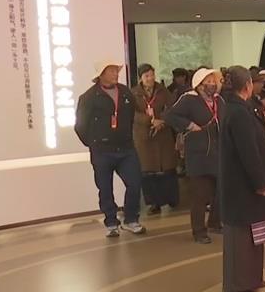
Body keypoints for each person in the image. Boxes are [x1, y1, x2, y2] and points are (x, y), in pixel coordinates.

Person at [219, 66, 265, 292]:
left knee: (254, 233)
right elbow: (248, 152)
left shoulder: (240, 108)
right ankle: (240, 283)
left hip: (244, 184)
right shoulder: (238, 113)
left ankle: (253, 278)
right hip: (242, 185)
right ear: (247, 85)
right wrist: (260, 182)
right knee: (242, 236)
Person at [74, 62, 147, 237]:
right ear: (101, 75)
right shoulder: (89, 97)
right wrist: (93, 143)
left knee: (135, 183)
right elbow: (80, 125)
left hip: (126, 148)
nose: (116, 74)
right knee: (105, 188)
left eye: (116, 70)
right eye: (112, 71)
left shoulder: (125, 92)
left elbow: (134, 113)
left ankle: (131, 219)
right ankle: (111, 222)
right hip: (102, 151)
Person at [164, 67, 224, 244]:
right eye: (208, 82)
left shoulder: (219, 100)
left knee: (220, 192)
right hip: (198, 154)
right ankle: (199, 231)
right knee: (200, 195)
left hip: (218, 152)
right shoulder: (189, 99)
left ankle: (214, 222)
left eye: (213, 81)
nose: (212, 84)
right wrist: (189, 125)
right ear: (199, 84)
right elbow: (170, 116)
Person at [131, 64, 178, 215]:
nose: (150, 78)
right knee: (148, 172)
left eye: (152, 75)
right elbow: (132, 113)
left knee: (168, 170)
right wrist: (149, 121)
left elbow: (172, 108)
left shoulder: (163, 90)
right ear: (140, 78)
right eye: (146, 76)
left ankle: (172, 199)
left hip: (163, 134)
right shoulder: (133, 93)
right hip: (144, 136)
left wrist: (161, 120)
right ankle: (153, 203)